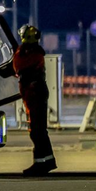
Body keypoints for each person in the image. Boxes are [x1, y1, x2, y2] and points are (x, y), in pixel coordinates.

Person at [14, 25, 56, 175]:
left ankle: (42, 163)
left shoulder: (31, 54)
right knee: (37, 130)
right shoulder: (32, 52)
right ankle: (45, 161)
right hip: (33, 93)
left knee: (37, 131)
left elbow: (18, 65)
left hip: (35, 93)